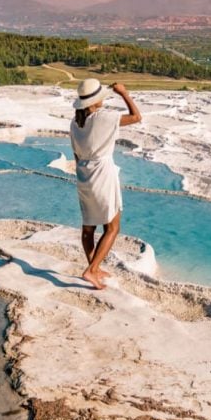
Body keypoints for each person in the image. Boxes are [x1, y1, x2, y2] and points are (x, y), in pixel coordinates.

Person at [69, 79, 142, 289]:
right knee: (112, 226)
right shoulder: (105, 117)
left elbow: (75, 154)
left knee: (89, 226)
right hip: (103, 173)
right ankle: (91, 271)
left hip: (84, 174)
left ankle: (94, 267)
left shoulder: (75, 123)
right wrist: (124, 93)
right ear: (97, 99)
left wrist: (84, 172)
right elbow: (136, 117)